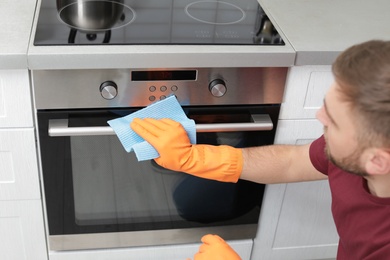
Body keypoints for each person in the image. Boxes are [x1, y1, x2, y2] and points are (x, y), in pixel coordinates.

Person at [130, 40, 390, 260]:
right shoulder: (355, 152)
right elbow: (293, 162)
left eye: (333, 120)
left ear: (377, 162)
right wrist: (193, 158)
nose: (319, 116)